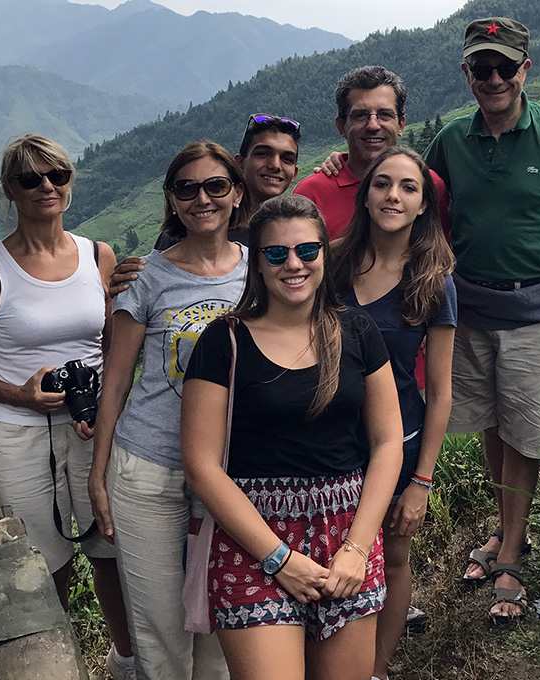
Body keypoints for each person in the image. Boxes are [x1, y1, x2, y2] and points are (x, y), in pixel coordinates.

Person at [423, 17, 540, 622]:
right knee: (491, 421)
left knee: (527, 428)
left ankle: (509, 553)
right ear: (467, 74)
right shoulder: (452, 141)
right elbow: (424, 216)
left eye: (506, 66)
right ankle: (511, 532)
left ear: (525, 69)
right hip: (472, 308)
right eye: (483, 68)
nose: (495, 78)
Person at [182, 194, 403, 680]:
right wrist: (278, 558)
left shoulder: (358, 331)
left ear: (325, 252)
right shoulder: (225, 341)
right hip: (253, 538)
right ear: (257, 263)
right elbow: (201, 464)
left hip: (346, 531)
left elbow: (388, 441)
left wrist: (358, 548)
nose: (294, 264)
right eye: (277, 254)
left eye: (307, 250)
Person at [0, 134, 134, 678]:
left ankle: (124, 660)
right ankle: (51, 664)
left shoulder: (98, 255)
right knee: (40, 560)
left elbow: (112, 342)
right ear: (11, 189)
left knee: (108, 548)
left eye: (57, 174)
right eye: (30, 178)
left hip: (90, 425)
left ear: (70, 181)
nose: (46, 186)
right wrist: (19, 394)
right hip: (17, 435)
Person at [88, 141, 248, 679]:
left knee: (221, 619)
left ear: (237, 193)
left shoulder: (260, 270)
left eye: (215, 186)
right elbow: (116, 382)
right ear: (172, 201)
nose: (202, 198)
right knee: (160, 626)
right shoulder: (145, 278)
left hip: (230, 472)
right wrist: (99, 473)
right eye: (187, 188)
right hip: (148, 468)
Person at [331, 146, 456, 680]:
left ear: (424, 205)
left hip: (397, 444)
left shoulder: (432, 280)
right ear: (365, 193)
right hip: (327, 439)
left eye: (408, 188)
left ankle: (376, 669)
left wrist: (422, 480)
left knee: (394, 556)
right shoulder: (329, 261)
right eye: (383, 184)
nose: (393, 196)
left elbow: (442, 391)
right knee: (333, 552)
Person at [111, 114, 300, 295]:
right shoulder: (195, 224)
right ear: (239, 163)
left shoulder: (288, 234)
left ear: (295, 173)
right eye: (263, 154)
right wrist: (133, 280)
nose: (275, 165)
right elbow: (157, 280)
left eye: (286, 159)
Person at [292, 66, 450, 240]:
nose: (373, 125)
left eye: (384, 115)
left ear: (401, 125)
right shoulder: (312, 193)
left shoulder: (430, 186)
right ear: (341, 126)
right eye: (361, 115)